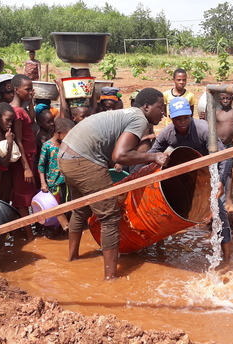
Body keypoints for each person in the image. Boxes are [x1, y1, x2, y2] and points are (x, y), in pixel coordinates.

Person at [58, 87, 168, 280]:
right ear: (147, 106)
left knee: (81, 209)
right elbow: (120, 155)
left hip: (66, 156)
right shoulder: (139, 119)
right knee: (110, 216)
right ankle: (110, 278)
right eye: (160, 107)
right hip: (83, 159)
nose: (163, 113)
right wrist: (153, 157)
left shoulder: (126, 114)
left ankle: (73, 258)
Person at [148, 97, 233, 258]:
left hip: (213, 172)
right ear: (171, 118)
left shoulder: (203, 130)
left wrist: (221, 181)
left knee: (219, 214)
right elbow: (151, 155)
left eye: (185, 118)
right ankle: (159, 250)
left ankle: (227, 258)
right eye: (178, 119)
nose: (182, 122)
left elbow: (226, 157)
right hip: (190, 175)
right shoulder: (167, 133)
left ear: (191, 115)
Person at [198, 91, 233, 202]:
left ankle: (228, 198)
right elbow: (207, 125)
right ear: (219, 100)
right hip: (217, 145)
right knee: (214, 169)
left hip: (229, 145)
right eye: (223, 98)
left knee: (229, 171)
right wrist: (203, 118)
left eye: (228, 98)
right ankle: (212, 195)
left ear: (232, 99)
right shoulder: (216, 113)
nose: (226, 101)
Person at [9, 74, 38, 236]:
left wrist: (31, 101)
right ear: (16, 90)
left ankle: (23, 232)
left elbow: (32, 120)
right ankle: (29, 235)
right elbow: (18, 141)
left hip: (27, 157)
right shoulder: (17, 112)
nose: (30, 92)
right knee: (22, 198)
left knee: (25, 194)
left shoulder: (21, 110)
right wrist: (26, 167)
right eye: (27, 89)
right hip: (23, 159)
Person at [38, 117, 75, 201]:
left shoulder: (67, 145)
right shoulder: (47, 146)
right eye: (68, 135)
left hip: (67, 182)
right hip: (54, 184)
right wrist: (43, 183)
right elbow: (41, 166)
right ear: (59, 133)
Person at [0, 102, 18, 203]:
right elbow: (4, 162)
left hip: (6, 173)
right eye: (8, 120)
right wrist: (9, 144)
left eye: (12, 121)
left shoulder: (5, 131)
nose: (10, 123)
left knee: (5, 200)